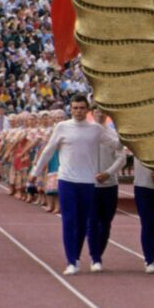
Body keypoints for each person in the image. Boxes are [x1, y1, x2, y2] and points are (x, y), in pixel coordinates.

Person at [29, 95, 120, 275]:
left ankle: (87, 257)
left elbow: (115, 144)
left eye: (81, 108)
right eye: (75, 108)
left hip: (88, 182)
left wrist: (128, 131)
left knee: (85, 222)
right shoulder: (62, 127)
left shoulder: (95, 129)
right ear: (70, 109)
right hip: (67, 180)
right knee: (70, 221)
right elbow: (48, 151)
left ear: (87, 110)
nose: (78, 111)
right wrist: (35, 173)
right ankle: (72, 261)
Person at [87, 105, 125, 272]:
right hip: (90, 184)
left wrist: (108, 173)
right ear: (92, 113)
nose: (100, 114)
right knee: (92, 222)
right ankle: (95, 257)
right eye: (97, 111)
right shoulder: (86, 133)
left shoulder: (112, 135)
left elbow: (121, 158)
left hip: (109, 185)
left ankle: (98, 252)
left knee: (106, 223)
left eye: (103, 111)